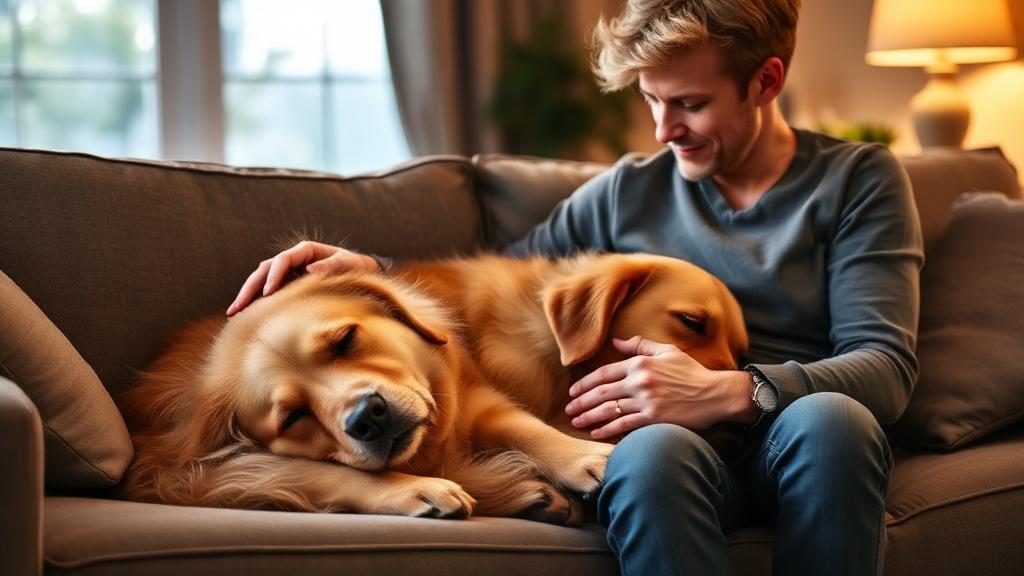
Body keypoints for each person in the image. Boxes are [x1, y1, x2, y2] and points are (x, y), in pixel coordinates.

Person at [227, 0, 923, 573]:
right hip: (676, 453)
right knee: (647, 452)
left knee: (832, 419)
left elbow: (886, 369)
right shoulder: (628, 189)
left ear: (766, 82)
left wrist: (726, 390)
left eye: (690, 104)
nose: (663, 130)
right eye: (651, 101)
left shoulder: (856, 181)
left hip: (792, 442)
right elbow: (503, 287)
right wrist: (375, 278)